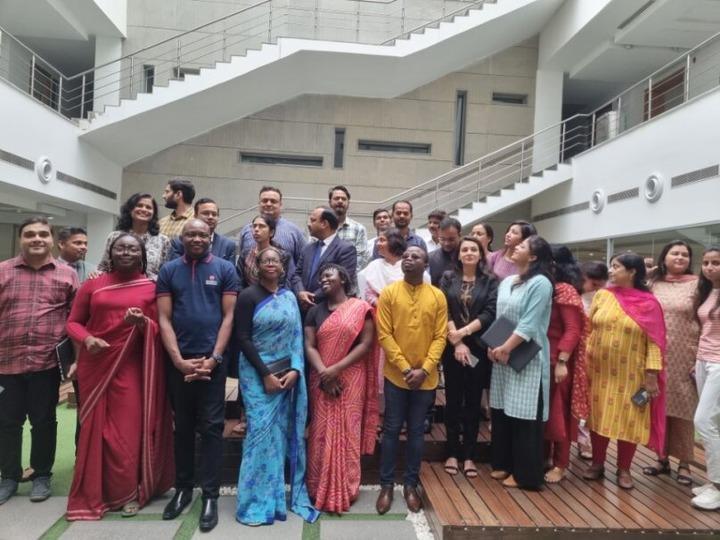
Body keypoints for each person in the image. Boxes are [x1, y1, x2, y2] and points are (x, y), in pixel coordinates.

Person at [65, 233, 174, 520]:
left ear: (142, 255)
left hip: (133, 367)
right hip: (97, 365)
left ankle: (128, 492)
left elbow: (161, 327)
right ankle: (97, 491)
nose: (126, 252)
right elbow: (74, 322)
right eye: (120, 248)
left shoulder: (152, 287)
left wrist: (143, 323)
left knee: (127, 431)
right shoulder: (93, 284)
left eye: (132, 249)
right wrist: (87, 340)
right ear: (111, 253)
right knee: (96, 431)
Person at [157, 219, 239, 533]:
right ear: (182, 237)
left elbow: (229, 315)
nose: (196, 238)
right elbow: (163, 318)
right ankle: (182, 489)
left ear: (210, 237)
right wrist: (177, 360)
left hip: (211, 364)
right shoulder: (169, 270)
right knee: (183, 428)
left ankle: (210, 496)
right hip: (179, 363)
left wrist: (215, 358)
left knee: (212, 429)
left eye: (202, 234)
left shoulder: (225, 268)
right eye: (190, 233)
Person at [234, 246, 319, 525]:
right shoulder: (247, 296)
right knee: (259, 436)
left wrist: (296, 369)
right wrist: (265, 375)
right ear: (257, 266)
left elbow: (297, 337)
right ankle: (253, 503)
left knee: (279, 436)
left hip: (287, 374)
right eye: (265, 260)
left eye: (275, 260)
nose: (271, 263)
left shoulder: (289, 298)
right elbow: (243, 338)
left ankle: (275, 498)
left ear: (282, 268)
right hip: (256, 375)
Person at [0, 217, 78, 505]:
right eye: (30, 234)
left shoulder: (67, 274)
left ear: (51, 239)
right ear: (21, 239)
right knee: (7, 423)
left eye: (42, 234)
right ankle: (8, 476)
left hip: (46, 363)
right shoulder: (3, 271)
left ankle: (42, 475)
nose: (37, 239)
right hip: (6, 364)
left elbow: (75, 319)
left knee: (44, 421)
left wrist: (75, 360)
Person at [583, 252, 665, 490]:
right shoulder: (602, 295)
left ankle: (624, 469)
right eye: (611, 266)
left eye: (616, 267)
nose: (611, 271)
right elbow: (589, 329)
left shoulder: (649, 303)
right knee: (598, 418)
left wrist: (651, 376)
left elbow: (655, 342)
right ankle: (597, 464)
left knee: (628, 421)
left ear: (632, 272)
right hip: (599, 371)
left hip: (632, 373)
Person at [375, 246, 447, 514]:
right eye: (405, 256)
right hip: (396, 376)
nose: (408, 260)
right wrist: (406, 369)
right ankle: (386, 485)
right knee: (392, 429)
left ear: (426, 263)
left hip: (425, 379)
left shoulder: (437, 296)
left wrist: (426, 369)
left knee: (417, 432)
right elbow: (385, 335)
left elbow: (441, 337)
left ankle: (410, 484)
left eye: (415, 257)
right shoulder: (389, 293)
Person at [305, 264, 376, 513]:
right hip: (321, 376)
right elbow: (309, 345)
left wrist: (335, 370)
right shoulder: (314, 311)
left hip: (351, 376)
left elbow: (366, 344)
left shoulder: (360, 309)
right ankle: (317, 486)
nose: (323, 278)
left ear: (343, 280)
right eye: (321, 275)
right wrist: (325, 372)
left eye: (329, 275)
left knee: (348, 430)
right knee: (321, 431)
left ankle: (347, 487)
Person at [488, 235, 553, 490]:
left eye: (523, 246)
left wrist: (505, 347)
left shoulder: (541, 283)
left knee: (526, 416)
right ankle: (503, 463)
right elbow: (499, 316)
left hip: (527, 356)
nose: (515, 248)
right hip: (502, 355)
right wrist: (494, 345)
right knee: (504, 411)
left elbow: (530, 322)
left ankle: (526, 474)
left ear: (534, 257)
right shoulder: (507, 282)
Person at [440, 237, 497, 478]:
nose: (469, 252)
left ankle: (470, 456)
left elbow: (490, 312)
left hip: (478, 348)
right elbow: (444, 308)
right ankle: (452, 452)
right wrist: (457, 342)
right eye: (465, 249)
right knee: (452, 401)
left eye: (474, 249)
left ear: (481, 253)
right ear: (459, 254)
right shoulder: (447, 278)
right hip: (452, 348)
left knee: (473, 403)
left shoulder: (491, 280)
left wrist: (463, 334)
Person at [643, 241, 699, 485]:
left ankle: (685, 463)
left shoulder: (699, 285)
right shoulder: (653, 284)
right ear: (664, 257)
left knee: (685, 409)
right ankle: (661, 458)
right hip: (657, 353)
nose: (680, 257)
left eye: (685, 254)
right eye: (675, 253)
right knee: (659, 406)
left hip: (687, 355)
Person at [543, 246, 589, 484]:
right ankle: (545, 458)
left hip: (558, 361)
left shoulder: (566, 290)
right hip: (543, 359)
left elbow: (572, 330)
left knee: (559, 412)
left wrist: (562, 361)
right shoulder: (550, 289)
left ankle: (561, 464)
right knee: (545, 411)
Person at [692, 247, 720, 509]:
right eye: (707, 263)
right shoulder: (708, 291)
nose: (710, 267)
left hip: (719, 364)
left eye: (716, 263)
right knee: (714, 423)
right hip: (703, 360)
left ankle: (718, 486)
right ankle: (713, 482)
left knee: (703, 420)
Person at [293, 207, 356, 311]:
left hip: (328, 309)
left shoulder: (346, 249)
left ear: (324, 224)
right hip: (303, 308)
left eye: (313, 220)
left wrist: (312, 297)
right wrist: (300, 293)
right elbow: (296, 275)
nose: (309, 224)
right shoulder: (307, 248)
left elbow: (343, 280)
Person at [97, 193, 171, 280]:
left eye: (148, 207)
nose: (144, 209)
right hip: (117, 287)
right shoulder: (114, 237)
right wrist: (96, 274)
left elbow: (166, 272)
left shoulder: (163, 240)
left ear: (153, 213)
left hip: (149, 289)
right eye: (139, 205)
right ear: (130, 209)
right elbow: (104, 267)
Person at [238, 186, 306, 267]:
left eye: (273, 201)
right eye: (264, 201)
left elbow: (302, 264)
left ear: (280, 205)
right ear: (259, 203)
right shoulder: (246, 230)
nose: (268, 204)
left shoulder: (294, 231)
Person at [170, 198, 236, 262]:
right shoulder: (178, 243)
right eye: (205, 213)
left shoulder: (228, 245)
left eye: (214, 214)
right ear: (195, 216)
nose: (210, 217)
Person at [237, 215, 293, 289]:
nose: (256, 229)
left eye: (261, 226)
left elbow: (283, 283)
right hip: (249, 296)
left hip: (273, 297)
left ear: (271, 232)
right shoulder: (246, 253)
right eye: (254, 226)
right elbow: (239, 281)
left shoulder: (282, 256)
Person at [330, 185, 368, 269]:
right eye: (336, 198)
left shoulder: (359, 229)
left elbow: (362, 258)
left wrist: (342, 275)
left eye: (344, 199)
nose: (340, 201)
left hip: (348, 278)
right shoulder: (321, 227)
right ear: (330, 202)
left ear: (348, 203)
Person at [429, 217, 461, 286]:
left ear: (459, 236)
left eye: (451, 239)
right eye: (442, 239)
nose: (447, 243)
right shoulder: (430, 258)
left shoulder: (468, 256)